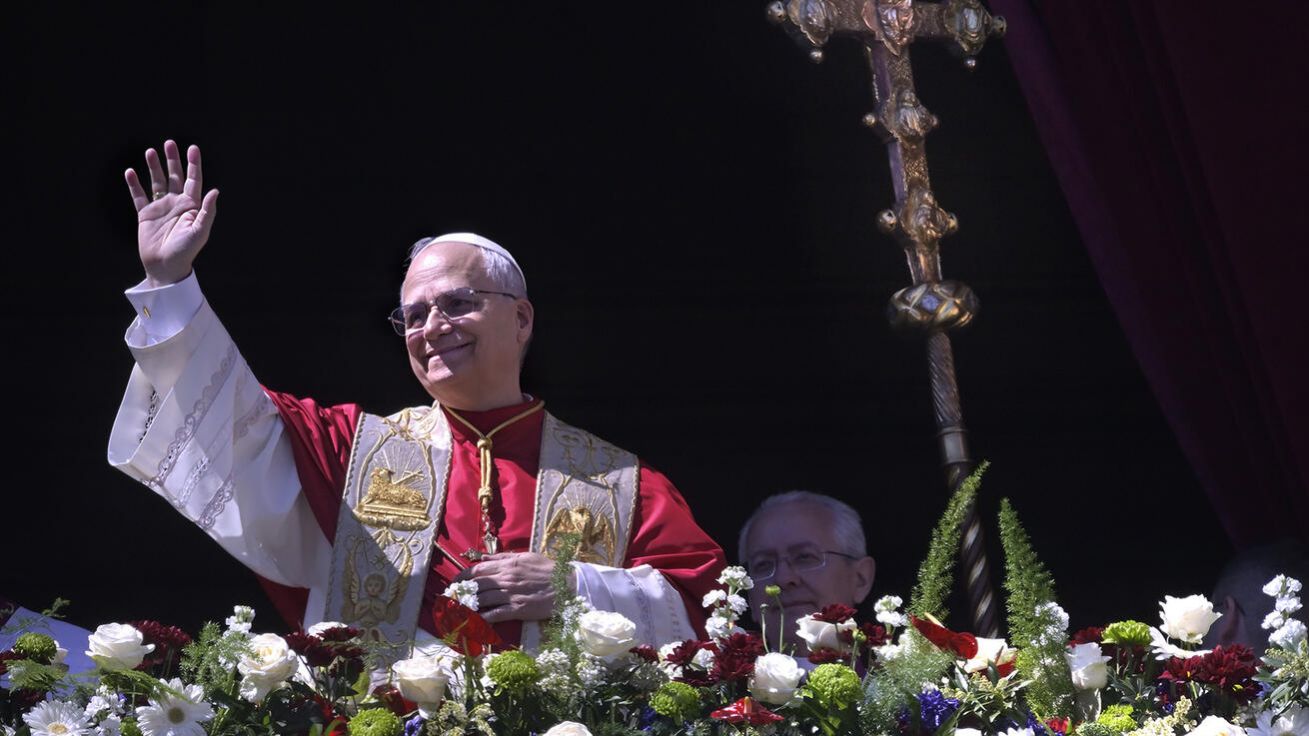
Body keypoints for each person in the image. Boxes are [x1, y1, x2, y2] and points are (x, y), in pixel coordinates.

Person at [107, 140, 725, 657]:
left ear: (522, 319)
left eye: (458, 303)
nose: (432, 326)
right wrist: (171, 283)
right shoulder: (349, 450)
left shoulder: (623, 484)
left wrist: (575, 586)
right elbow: (232, 420)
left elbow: (711, 621)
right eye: (414, 316)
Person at [738, 491, 876, 654]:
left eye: (804, 557)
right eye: (763, 564)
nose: (783, 578)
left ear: (861, 579)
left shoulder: (905, 678)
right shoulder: (709, 679)